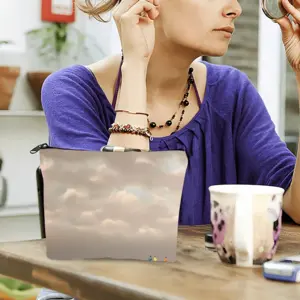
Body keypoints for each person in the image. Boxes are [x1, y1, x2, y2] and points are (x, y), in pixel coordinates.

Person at [37, 0, 300, 298]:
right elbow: (118, 234)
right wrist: (135, 65)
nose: (235, 9)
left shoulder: (232, 92)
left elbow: (297, 206)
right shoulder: (71, 90)